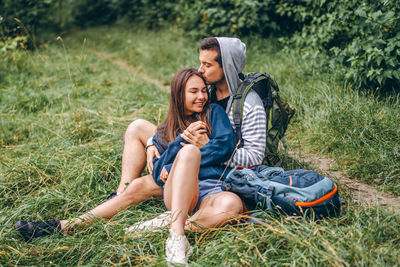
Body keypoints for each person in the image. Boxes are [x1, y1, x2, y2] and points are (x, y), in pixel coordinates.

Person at [16, 37, 266, 241]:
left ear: (227, 67)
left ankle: (165, 223)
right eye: (200, 66)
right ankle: (106, 201)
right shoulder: (207, 89)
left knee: (148, 186)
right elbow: (177, 122)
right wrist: (153, 145)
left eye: (207, 65)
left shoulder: (248, 103)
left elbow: (255, 156)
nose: (200, 70)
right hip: (189, 158)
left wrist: (199, 151)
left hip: (214, 167)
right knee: (137, 129)